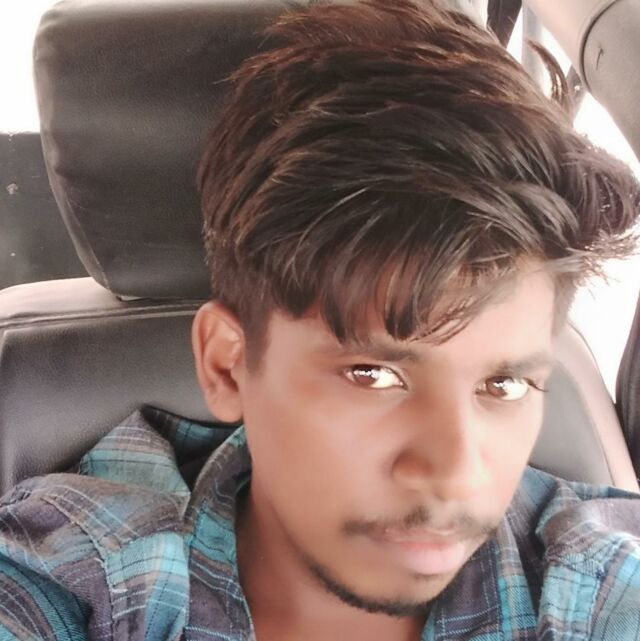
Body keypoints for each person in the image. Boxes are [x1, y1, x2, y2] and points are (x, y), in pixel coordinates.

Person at [1, 1, 640, 639]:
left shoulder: (595, 587)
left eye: (504, 385)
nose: (457, 475)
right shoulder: (84, 578)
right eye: (373, 374)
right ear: (227, 365)